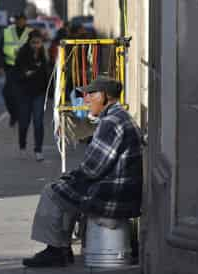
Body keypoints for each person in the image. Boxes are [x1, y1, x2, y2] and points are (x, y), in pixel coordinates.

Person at [22, 76, 143, 267]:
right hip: (121, 190)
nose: (85, 99)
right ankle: (60, 249)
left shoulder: (111, 122)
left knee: (52, 192)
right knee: (66, 190)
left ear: (105, 96)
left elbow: (91, 170)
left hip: (113, 195)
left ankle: (55, 251)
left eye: (91, 94)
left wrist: (69, 178)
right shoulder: (121, 117)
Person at [16, 30, 49, 161]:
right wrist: (26, 73)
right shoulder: (23, 53)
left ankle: (38, 150)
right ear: (29, 42)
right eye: (34, 43)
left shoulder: (42, 54)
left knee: (38, 122)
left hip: (39, 93)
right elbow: (18, 73)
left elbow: (46, 72)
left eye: (39, 42)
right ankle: (22, 145)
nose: (36, 45)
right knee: (24, 122)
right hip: (24, 93)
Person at [0, 13, 32, 127]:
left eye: (22, 20)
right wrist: (0, 66)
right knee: (7, 94)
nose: (20, 22)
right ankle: (14, 114)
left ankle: (23, 116)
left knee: (23, 94)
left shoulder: (30, 32)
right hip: (11, 67)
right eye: (18, 20)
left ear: (25, 21)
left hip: (25, 68)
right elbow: (0, 50)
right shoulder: (7, 32)